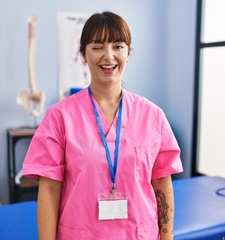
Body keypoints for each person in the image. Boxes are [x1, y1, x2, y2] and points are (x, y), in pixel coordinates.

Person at [22, 11, 183, 240]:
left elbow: (162, 184)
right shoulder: (59, 117)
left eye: (118, 46)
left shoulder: (153, 116)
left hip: (139, 234)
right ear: (84, 55)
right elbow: (48, 190)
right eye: (97, 46)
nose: (109, 56)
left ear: (128, 53)